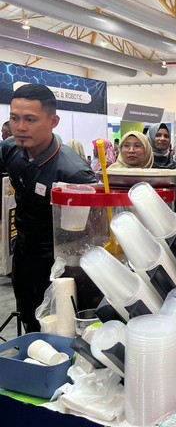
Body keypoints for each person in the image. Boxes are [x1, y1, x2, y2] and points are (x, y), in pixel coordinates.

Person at [0, 83, 95, 332]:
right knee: (29, 318)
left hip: (59, 264)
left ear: (53, 121)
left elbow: (88, 235)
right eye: (14, 118)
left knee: (60, 327)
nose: (20, 127)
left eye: (30, 119)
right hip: (22, 254)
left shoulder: (74, 173)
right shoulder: (10, 149)